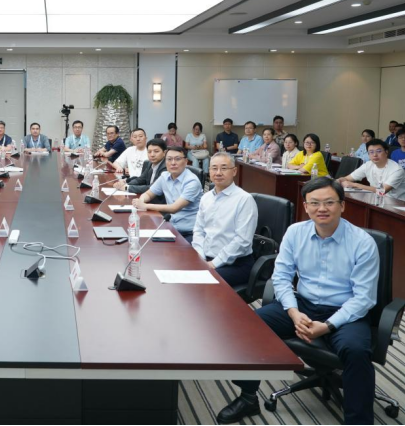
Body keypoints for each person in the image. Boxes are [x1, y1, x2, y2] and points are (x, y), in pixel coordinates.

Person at [217, 177, 379, 425]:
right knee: (250, 327)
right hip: (303, 304)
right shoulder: (295, 232)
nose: (321, 208)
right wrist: (293, 312)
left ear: (343, 205)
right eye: (314, 203)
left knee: (356, 351)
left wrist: (328, 325)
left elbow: (364, 298)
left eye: (329, 202)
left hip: (345, 311)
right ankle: (248, 397)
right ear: (305, 206)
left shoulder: (362, 242)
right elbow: (281, 277)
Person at [192, 153, 258, 287]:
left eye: (223, 168)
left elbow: (242, 241)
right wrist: (200, 257)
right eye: (214, 168)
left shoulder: (244, 199)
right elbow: (198, 230)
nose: (218, 173)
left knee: (199, 284)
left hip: (236, 264)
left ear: (234, 171)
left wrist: (214, 263)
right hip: (207, 258)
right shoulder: (206, 197)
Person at [133, 147, 203, 240]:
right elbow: (148, 194)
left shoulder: (192, 181)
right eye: (169, 159)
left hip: (189, 232)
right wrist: (141, 201)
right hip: (170, 226)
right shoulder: (164, 176)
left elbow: (174, 208)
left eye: (177, 159)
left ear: (186, 161)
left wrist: (145, 206)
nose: (173, 163)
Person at [339, 139, 405, 201]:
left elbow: (381, 191)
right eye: (371, 152)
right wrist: (338, 181)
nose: (375, 155)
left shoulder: (396, 170)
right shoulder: (368, 165)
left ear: (386, 152)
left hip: (398, 204)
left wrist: (355, 185)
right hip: (376, 200)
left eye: (378, 151)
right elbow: (347, 178)